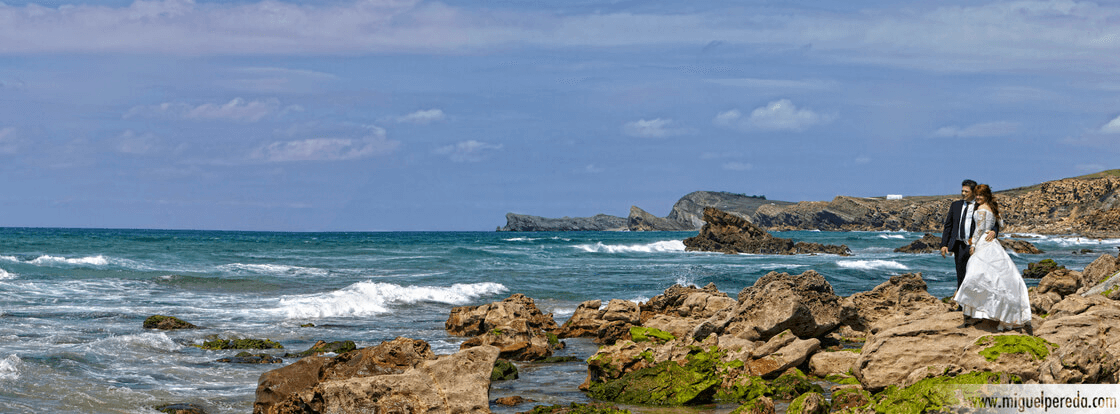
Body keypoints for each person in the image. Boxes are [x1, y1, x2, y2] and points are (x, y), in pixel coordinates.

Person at [953, 184, 1031, 330]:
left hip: (983, 243)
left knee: (976, 276)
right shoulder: (992, 208)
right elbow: (1000, 222)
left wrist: (974, 244)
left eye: (980, 195)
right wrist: (993, 229)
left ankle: (977, 311)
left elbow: (979, 229)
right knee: (991, 277)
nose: (977, 197)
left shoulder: (982, 208)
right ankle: (988, 311)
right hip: (992, 244)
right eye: (976, 195)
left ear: (986, 196)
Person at [940, 180, 996, 289]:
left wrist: (994, 231)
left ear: (974, 192)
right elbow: (948, 226)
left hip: (975, 246)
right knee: (961, 275)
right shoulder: (955, 205)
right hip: (959, 245)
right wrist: (944, 244)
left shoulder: (980, 205)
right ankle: (961, 305)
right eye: (962, 191)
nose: (963, 193)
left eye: (966, 191)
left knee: (975, 275)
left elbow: (994, 221)